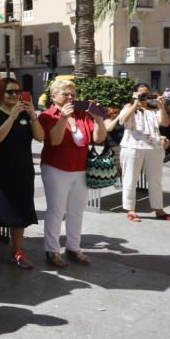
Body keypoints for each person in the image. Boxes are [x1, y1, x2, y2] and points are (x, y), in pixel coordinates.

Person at [38, 79, 107, 267]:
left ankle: (73, 247)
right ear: (53, 97)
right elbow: (54, 141)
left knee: (76, 211)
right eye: (65, 94)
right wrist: (62, 119)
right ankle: (52, 250)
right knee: (56, 210)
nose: (70, 97)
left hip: (80, 168)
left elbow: (98, 139)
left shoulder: (81, 115)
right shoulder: (47, 115)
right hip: (56, 167)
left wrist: (99, 119)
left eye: (72, 94)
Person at [0, 78, 45, 270]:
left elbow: (40, 137)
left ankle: (16, 251)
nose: (14, 95)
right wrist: (11, 118)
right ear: (1, 93)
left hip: (22, 169)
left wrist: (33, 115)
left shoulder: (26, 114)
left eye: (17, 92)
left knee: (20, 211)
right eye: (10, 91)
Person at [109, 84, 170, 222]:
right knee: (130, 179)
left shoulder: (154, 109)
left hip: (154, 148)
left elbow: (165, 123)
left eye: (146, 94)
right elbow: (122, 120)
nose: (144, 96)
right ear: (134, 94)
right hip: (132, 147)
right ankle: (130, 209)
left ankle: (159, 209)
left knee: (156, 180)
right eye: (141, 94)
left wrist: (162, 106)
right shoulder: (129, 107)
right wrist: (135, 103)